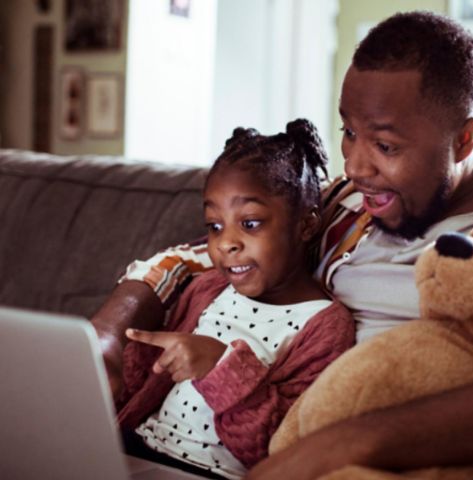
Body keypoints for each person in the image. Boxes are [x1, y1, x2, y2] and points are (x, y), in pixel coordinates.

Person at [92, 11, 473, 479]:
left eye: (385, 145)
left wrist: (350, 443)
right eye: (348, 132)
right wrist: (110, 337)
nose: (355, 165)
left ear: (465, 137)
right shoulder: (342, 205)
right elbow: (202, 255)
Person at [112, 119, 355, 479]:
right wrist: (127, 366)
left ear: (306, 225)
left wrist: (221, 368)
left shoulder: (325, 328)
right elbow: (150, 386)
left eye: (250, 223)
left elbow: (280, 448)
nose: (225, 243)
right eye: (214, 225)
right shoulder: (208, 288)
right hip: (141, 451)